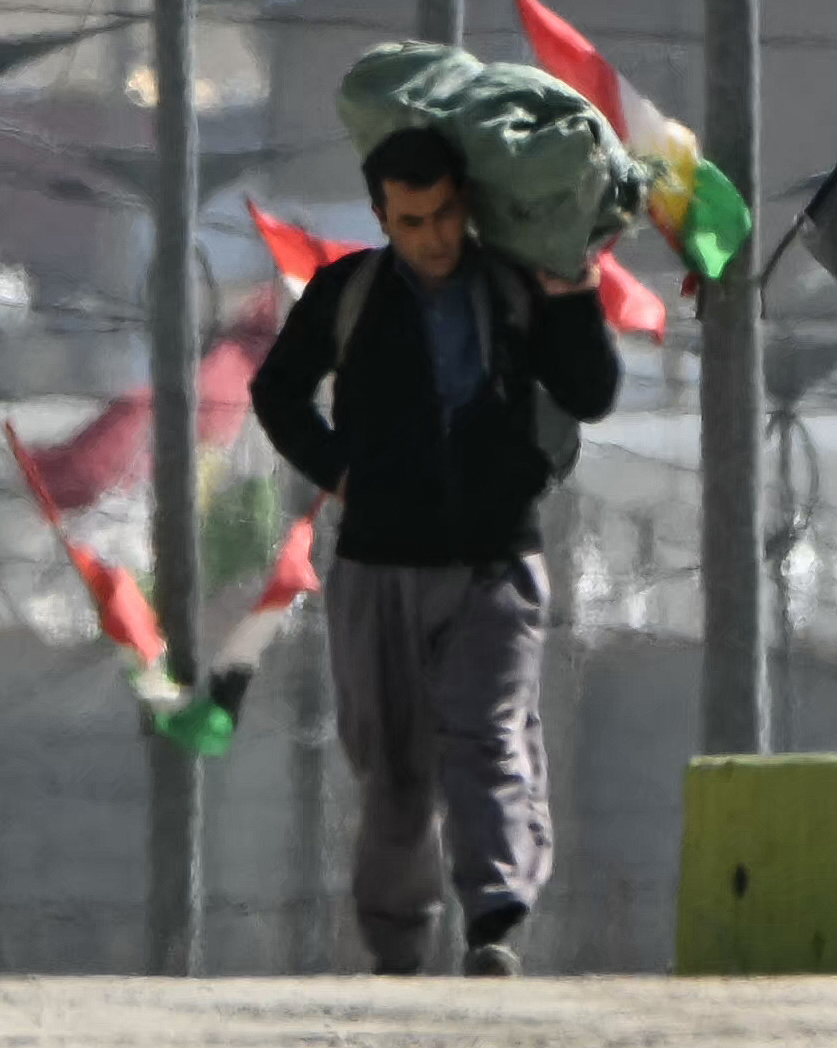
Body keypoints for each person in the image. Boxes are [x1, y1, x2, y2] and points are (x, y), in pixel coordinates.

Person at [247, 120, 623, 976]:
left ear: (468, 207)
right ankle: (397, 946)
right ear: (384, 218)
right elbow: (277, 391)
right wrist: (342, 472)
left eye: (446, 215)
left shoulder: (515, 288)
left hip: (494, 561)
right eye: (412, 222)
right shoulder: (349, 292)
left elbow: (590, 391)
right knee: (390, 765)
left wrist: (574, 293)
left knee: (486, 733)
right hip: (378, 565)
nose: (434, 238)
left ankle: (493, 921)